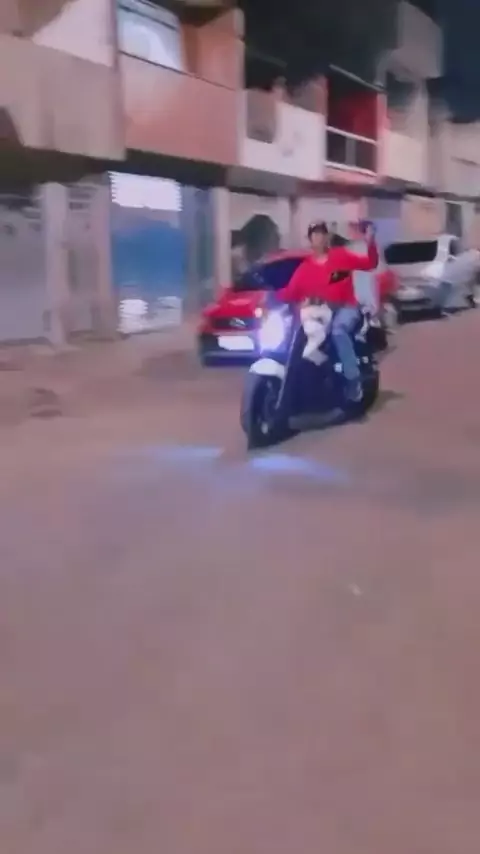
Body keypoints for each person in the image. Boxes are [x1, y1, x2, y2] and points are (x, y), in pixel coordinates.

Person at [275, 220, 379, 402]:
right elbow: (290, 292)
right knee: (299, 336)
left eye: (322, 233)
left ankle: (353, 380)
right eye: (315, 234)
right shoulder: (305, 268)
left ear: (327, 237)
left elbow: (370, 263)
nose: (319, 237)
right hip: (321, 312)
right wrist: (270, 298)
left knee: (338, 331)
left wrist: (370, 242)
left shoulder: (341, 256)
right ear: (310, 239)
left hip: (346, 307)